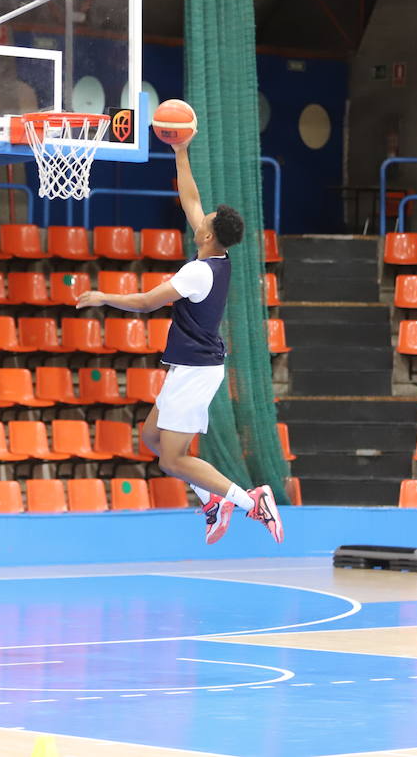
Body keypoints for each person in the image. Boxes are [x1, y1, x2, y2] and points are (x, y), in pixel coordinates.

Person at [76, 137, 284, 545]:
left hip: (195, 371)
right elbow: (190, 197)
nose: (198, 217)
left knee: (173, 458)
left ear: (207, 234)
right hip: (192, 367)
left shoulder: (197, 273)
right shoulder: (216, 256)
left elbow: (145, 303)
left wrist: (103, 297)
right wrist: (180, 150)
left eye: (203, 220)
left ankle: (250, 500)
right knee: (152, 439)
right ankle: (212, 502)